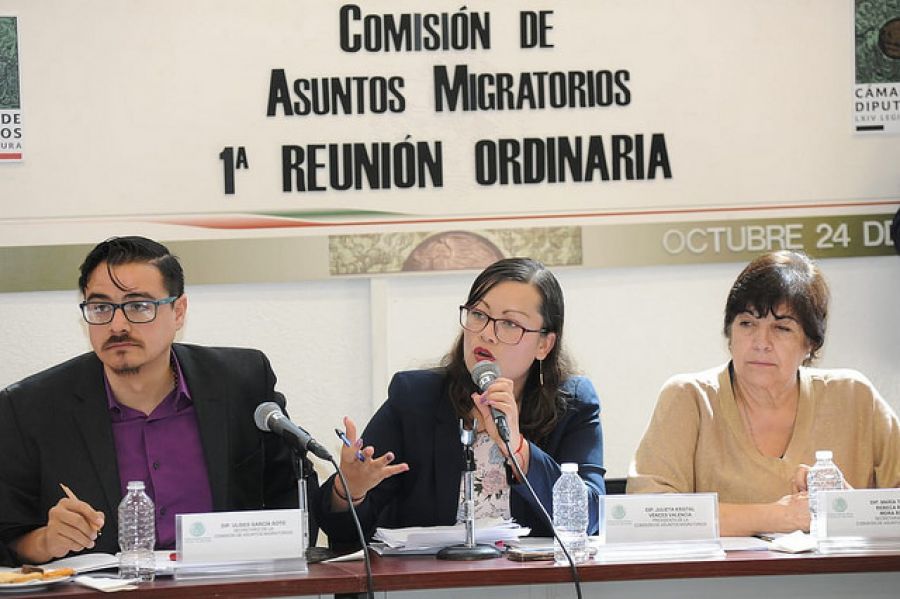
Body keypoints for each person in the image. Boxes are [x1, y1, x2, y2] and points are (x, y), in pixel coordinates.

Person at [0, 236, 312, 566]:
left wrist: (344, 490)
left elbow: (293, 498)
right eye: (101, 307)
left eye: (138, 306)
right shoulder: (31, 409)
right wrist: (47, 542)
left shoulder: (241, 383)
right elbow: (7, 537)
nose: (117, 325)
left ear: (178, 312)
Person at [317, 257, 605, 549]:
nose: (486, 333)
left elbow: (591, 517)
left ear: (544, 344)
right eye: (479, 314)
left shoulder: (573, 403)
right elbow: (343, 533)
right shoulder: (416, 399)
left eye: (509, 323)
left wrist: (518, 449)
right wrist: (348, 490)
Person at [628, 250, 900, 536]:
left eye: (782, 328)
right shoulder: (690, 398)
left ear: (810, 343)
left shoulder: (853, 397)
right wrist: (779, 516)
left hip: (847, 580)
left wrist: (850, 506)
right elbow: (648, 513)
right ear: (729, 333)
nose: (761, 342)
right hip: (720, 581)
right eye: (747, 323)